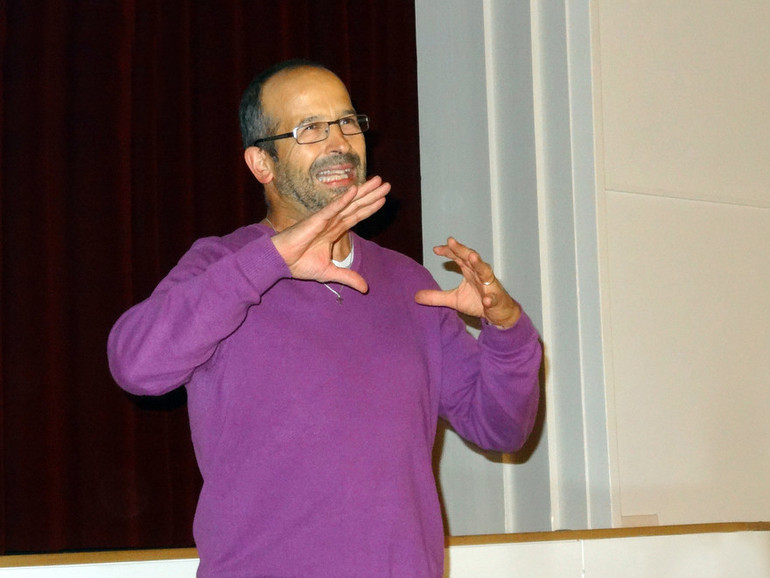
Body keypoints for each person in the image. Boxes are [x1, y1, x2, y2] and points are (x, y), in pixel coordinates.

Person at [108, 59, 542, 578]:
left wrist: (506, 329)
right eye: (310, 128)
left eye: (347, 122)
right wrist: (271, 260)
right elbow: (137, 365)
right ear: (261, 164)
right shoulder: (223, 267)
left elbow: (500, 428)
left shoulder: (408, 283)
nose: (339, 142)